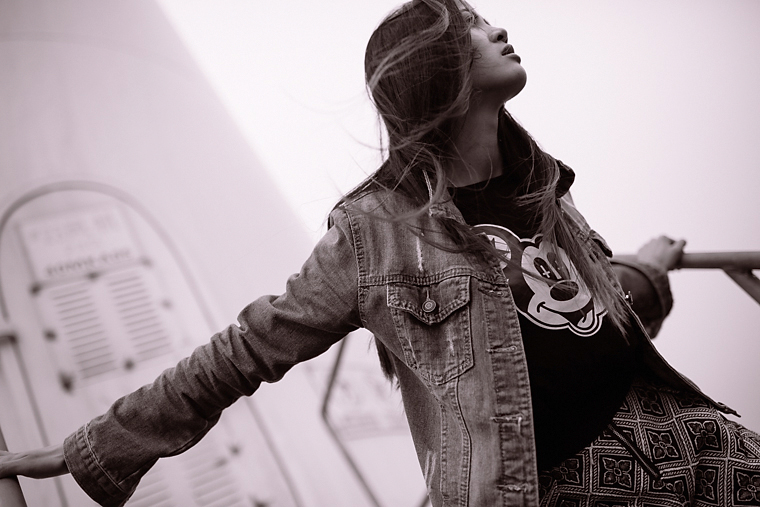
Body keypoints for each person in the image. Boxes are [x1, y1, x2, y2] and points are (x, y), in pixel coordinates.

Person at [2, 0, 759, 505]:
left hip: (679, 430)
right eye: (469, 26)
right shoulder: (375, 232)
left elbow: (580, 311)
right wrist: (95, 447)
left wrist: (649, 266)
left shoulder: (543, 188)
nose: (496, 28)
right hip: (557, 484)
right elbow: (242, 352)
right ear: (431, 67)